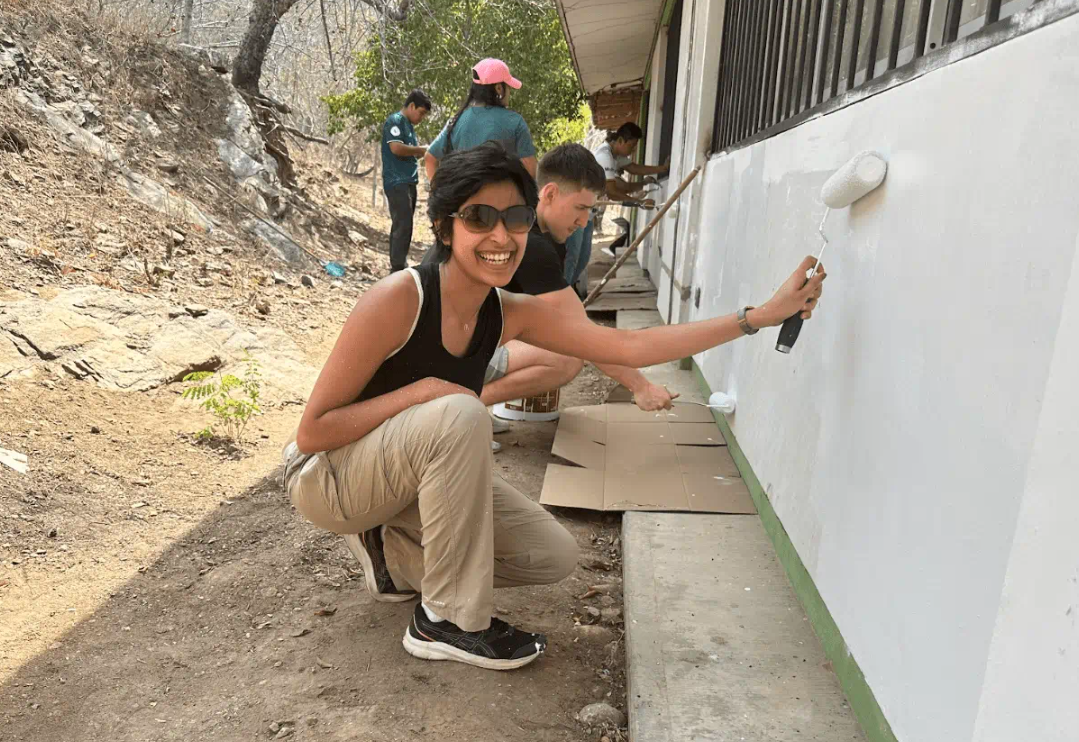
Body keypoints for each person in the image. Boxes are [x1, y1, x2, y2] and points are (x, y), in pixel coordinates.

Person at [281, 142, 824, 672]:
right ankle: (443, 622)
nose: (500, 236)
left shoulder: (508, 311)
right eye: (479, 217)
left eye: (513, 218)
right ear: (446, 227)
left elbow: (629, 348)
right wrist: (425, 392)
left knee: (550, 555)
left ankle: (391, 559)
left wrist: (756, 318)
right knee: (460, 411)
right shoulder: (399, 298)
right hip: (330, 480)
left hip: (399, 476)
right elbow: (313, 432)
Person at [474, 143, 680, 434]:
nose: (584, 222)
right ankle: (461, 406)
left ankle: (463, 403)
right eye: (580, 208)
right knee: (568, 355)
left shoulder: (525, 222)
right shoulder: (528, 243)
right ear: (550, 193)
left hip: (462, 343)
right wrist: (641, 386)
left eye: (590, 211)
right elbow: (580, 333)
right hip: (442, 356)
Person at [564, 122, 670, 286]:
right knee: (573, 258)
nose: (633, 151)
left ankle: (569, 292)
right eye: (632, 146)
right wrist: (639, 202)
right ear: (620, 140)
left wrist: (661, 169)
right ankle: (563, 296)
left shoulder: (615, 157)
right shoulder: (604, 156)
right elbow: (612, 192)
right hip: (576, 213)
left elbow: (634, 168)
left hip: (587, 214)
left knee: (582, 258)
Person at [424, 58, 537, 182]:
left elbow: (430, 158)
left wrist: (437, 191)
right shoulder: (515, 121)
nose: (509, 92)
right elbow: (529, 168)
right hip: (503, 199)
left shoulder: (457, 121)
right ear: (499, 88)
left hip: (463, 198)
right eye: (508, 87)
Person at [382, 89, 432, 273]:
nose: (421, 117)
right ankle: (397, 268)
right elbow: (396, 148)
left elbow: (408, 153)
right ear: (412, 106)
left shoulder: (409, 127)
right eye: (421, 113)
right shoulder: (395, 121)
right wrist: (420, 150)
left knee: (406, 224)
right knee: (403, 224)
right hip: (397, 181)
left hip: (409, 181)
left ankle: (399, 263)